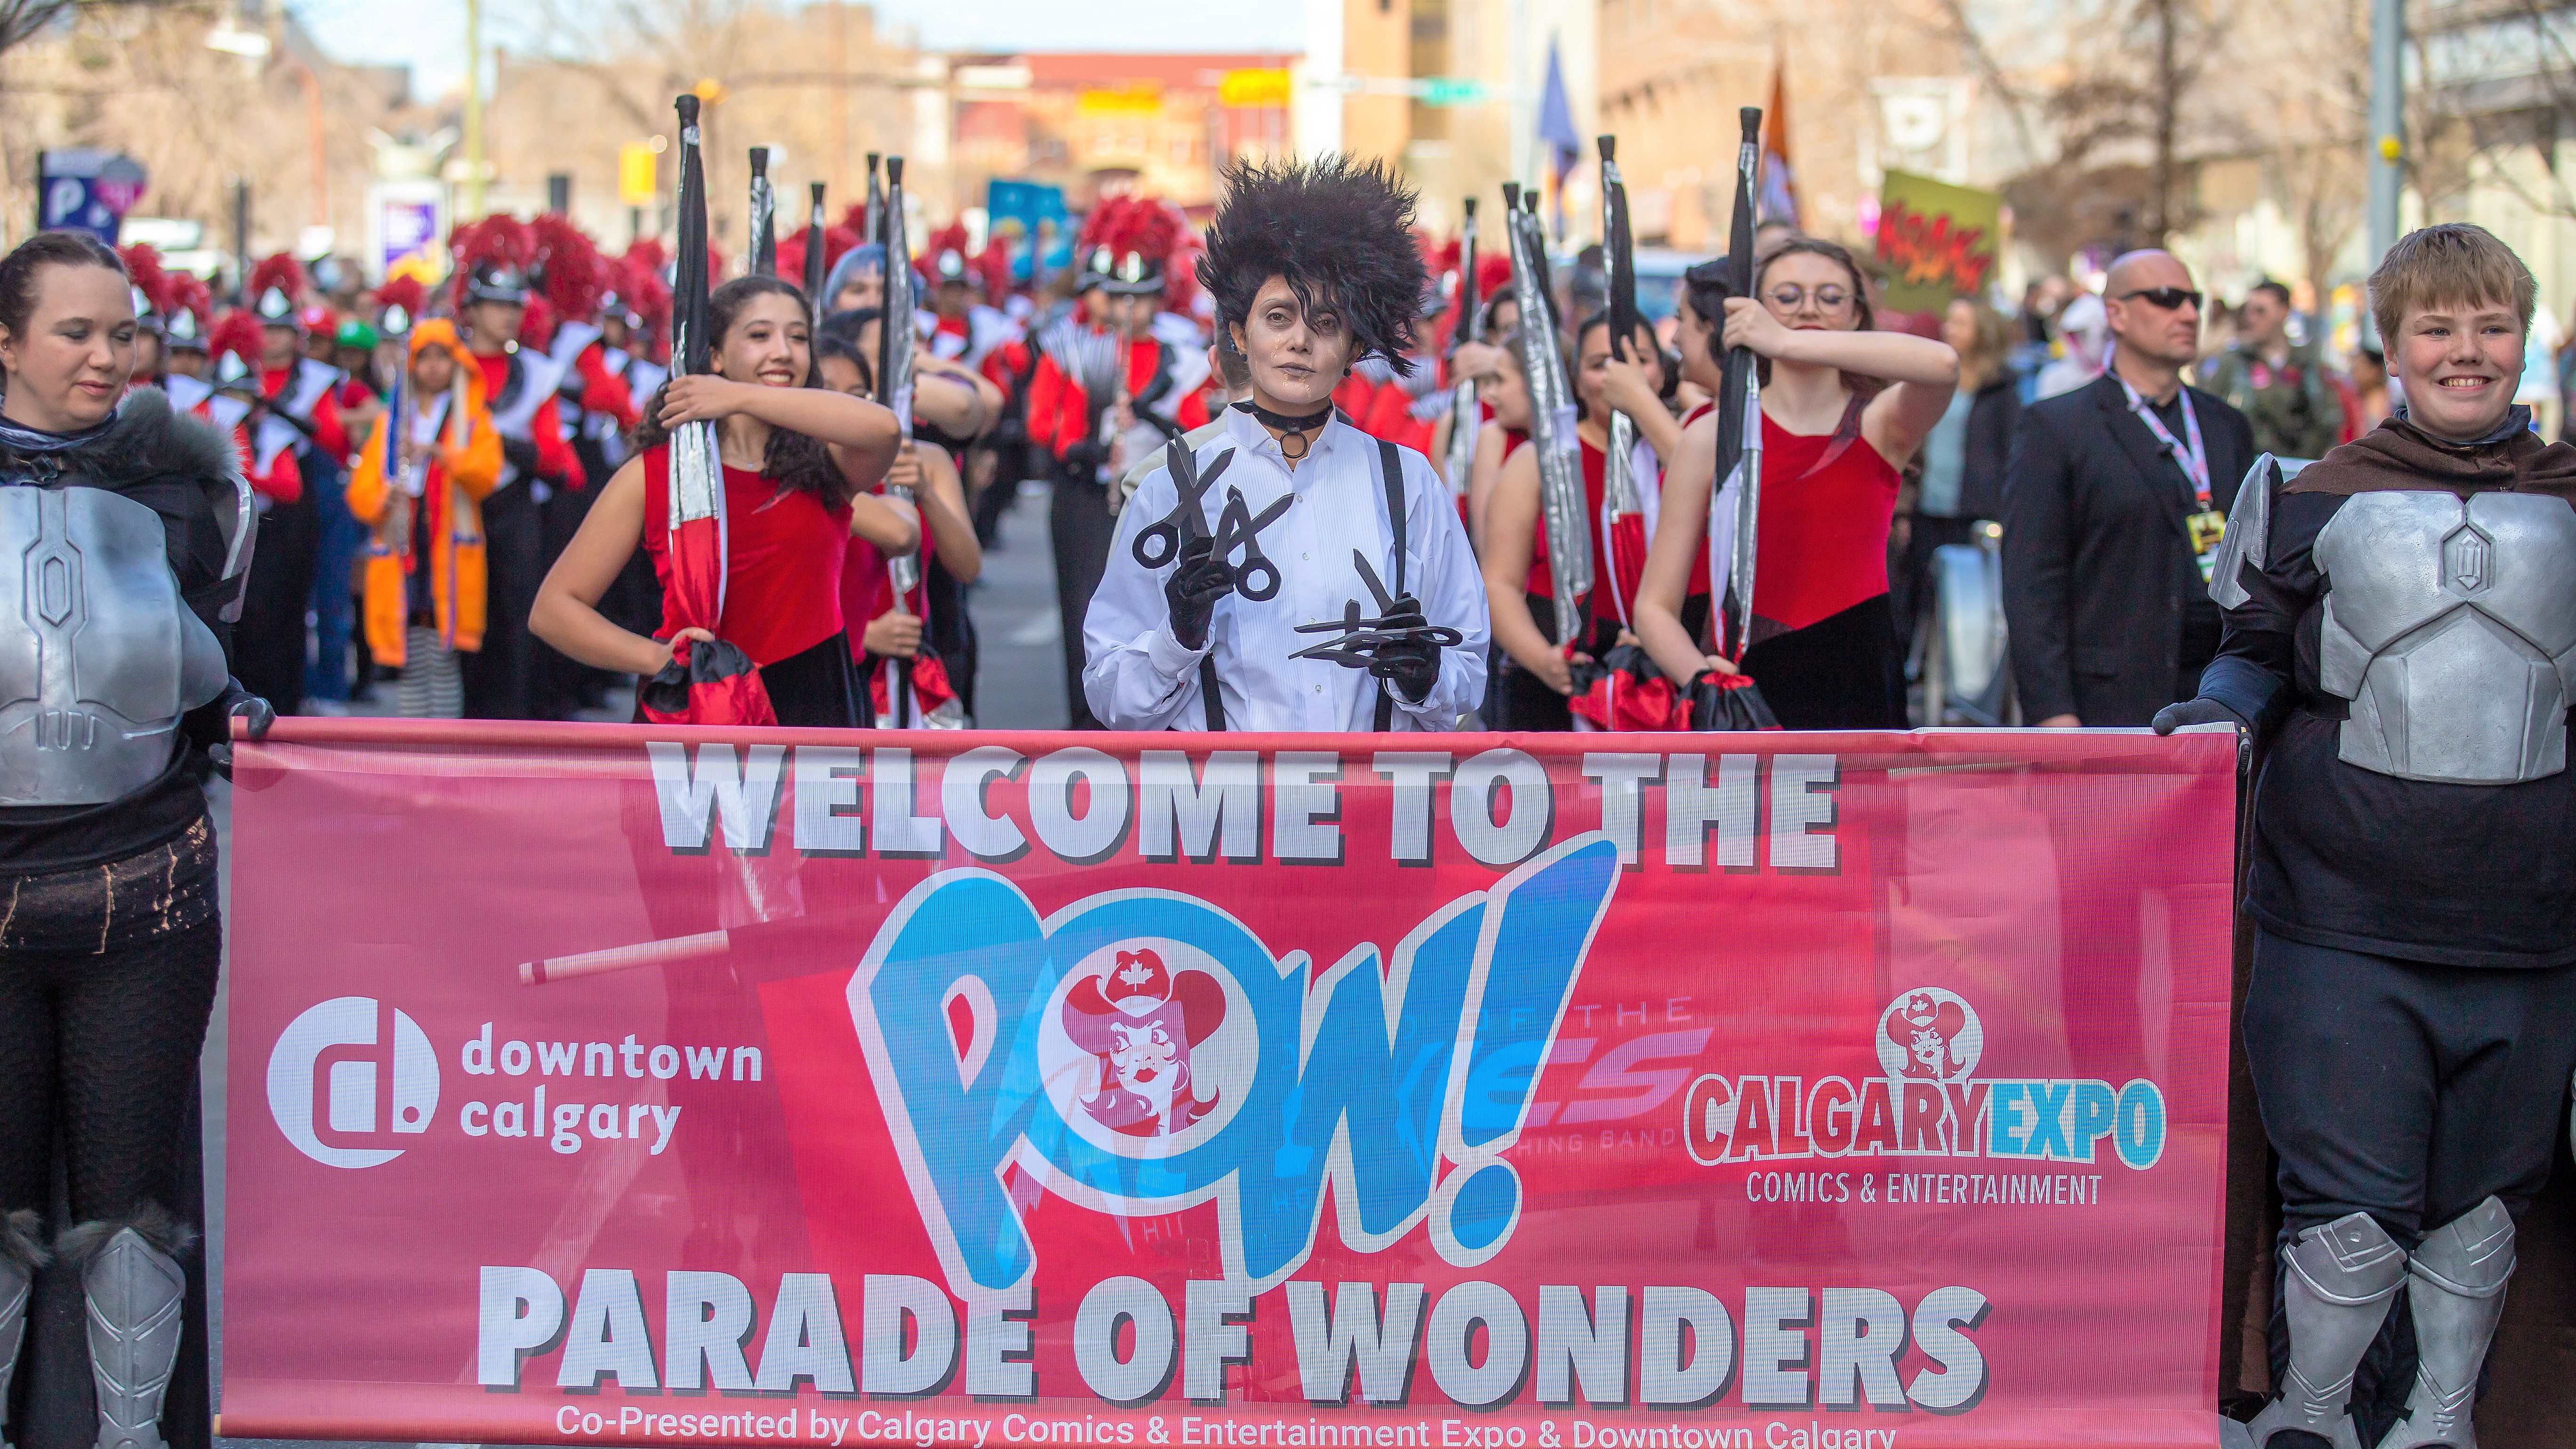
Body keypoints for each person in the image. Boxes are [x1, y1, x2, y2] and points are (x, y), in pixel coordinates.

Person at [2155, 222, 2576, 1449]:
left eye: (2490, 325)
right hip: (2344, 920)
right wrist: (2198, 735)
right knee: (2347, 1205)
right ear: (2392, 346)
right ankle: (2312, 1417)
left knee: (2486, 1207)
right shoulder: (2310, 494)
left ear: (2524, 336)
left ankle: (2442, 1421)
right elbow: (2246, 665)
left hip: (2531, 924)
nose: (2467, 351)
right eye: (2438, 328)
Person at [0, 230, 269, 1449]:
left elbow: (201, 671)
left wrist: (243, 711)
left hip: (146, 902)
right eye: (75, 332)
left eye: (123, 330)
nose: (107, 356)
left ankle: (130, 1435)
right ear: (6, 341)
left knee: (128, 1207)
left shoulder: (182, 482)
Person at [1085, 154, 1487, 733]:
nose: (1300, 341)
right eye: (1278, 317)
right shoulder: (1173, 486)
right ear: (1239, 335)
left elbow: (1469, 669)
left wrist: (1427, 677)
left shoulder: (1408, 482)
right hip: (1230, 813)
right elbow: (1111, 698)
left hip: (1372, 810)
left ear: (1353, 349)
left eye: (1325, 324)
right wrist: (1178, 635)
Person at [530, 275, 912, 728]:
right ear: (714, 355)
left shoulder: (826, 463)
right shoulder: (653, 475)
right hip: (695, 705)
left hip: (815, 702)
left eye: (798, 337)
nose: (783, 351)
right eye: (759, 335)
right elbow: (553, 609)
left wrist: (737, 395)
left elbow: (884, 430)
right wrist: (655, 658)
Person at [1632, 237, 1959, 729]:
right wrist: (1703, 681)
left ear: (1856, 316)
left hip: (1858, 686)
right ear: (1754, 311)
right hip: (1743, 691)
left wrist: (1786, 339)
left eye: (1831, 297)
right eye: (1787, 296)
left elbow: (1943, 366)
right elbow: (1654, 606)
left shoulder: (1879, 424)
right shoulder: (1710, 437)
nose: (1809, 307)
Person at [2000, 250, 2259, 728]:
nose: (2187, 314)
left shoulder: (2226, 426)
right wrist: (2053, 713)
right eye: (2167, 299)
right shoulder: (2055, 427)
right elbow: (2032, 583)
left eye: (2193, 301)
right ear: (2115, 314)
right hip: (2110, 703)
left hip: (2218, 701)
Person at [1029, 209, 1209, 727]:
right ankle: (1087, 724)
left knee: (1157, 608)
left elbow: (1197, 427)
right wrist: (1083, 445)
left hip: (1160, 499)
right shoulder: (1071, 350)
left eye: (1141, 297)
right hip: (1087, 498)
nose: (1128, 308)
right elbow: (1044, 421)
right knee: (1085, 610)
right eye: (1118, 296)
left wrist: (1152, 414)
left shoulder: (1183, 357)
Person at [1480, 313, 1674, 729]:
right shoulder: (1538, 462)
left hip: (1665, 684)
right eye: (1600, 363)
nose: (1623, 374)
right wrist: (1543, 660)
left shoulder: (1681, 452)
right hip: (1556, 683)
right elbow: (1498, 583)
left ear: (1662, 371)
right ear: (1578, 379)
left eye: (1639, 359)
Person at [813, 323, 984, 723]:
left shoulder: (927, 459)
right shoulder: (798, 471)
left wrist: (924, 491)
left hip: (913, 663)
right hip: (834, 661)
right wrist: (865, 632)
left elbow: (968, 566)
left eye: (857, 395)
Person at [454, 233, 584, 720]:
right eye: (494, 305)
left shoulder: (537, 371)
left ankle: (511, 725)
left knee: (515, 622)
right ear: (470, 310)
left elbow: (554, 458)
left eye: (514, 305)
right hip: (455, 509)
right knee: (456, 623)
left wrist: (495, 440)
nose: (508, 315)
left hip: (513, 510)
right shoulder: (442, 364)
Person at [346, 318, 502, 718]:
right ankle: (417, 753)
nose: (433, 367)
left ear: (457, 363)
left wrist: (440, 453)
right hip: (404, 553)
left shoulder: (470, 418)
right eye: (424, 358)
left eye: (442, 357)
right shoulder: (392, 419)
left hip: (446, 554)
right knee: (412, 656)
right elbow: (360, 493)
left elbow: (486, 473)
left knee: (444, 657)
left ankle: (445, 752)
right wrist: (386, 494)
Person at [1897, 297, 2020, 648]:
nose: (1949, 329)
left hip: (1975, 510)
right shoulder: (1933, 379)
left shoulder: (2000, 388)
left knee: (1970, 599)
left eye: (1961, 323)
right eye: (1948, 321)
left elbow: (2010, 452)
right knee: (1920, 591)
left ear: (1982, 332)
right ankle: (1919, 665)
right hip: (1929, 506)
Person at [2203, 279, 2344, 461]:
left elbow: (2330, 421)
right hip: (2250, 472)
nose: (2251, 319)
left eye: (2260, 311)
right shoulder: (2233, 363)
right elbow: (2209, 418)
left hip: (2303, 471)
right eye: (2248, 311)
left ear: (2284, 312)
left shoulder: (2308, 363)